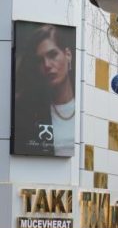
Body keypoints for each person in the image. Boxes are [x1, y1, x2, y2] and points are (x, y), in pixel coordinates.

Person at [14, 23, 76, 157]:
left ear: (68, 55)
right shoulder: (27, 111)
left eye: (52, 55)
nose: (47, 65)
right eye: (39, 60)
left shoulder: (86, 104)